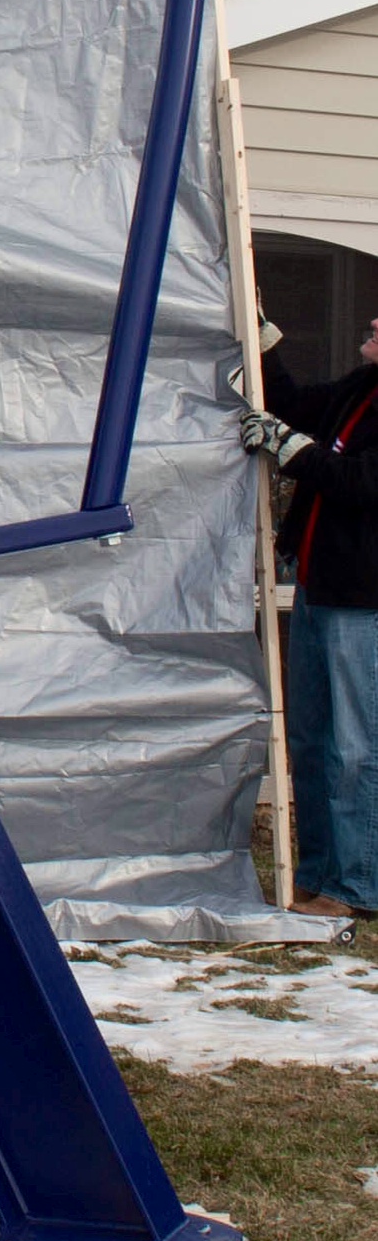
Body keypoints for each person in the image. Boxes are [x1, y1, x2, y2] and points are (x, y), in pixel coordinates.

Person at [253, 312, 378, 918]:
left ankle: (355, 886)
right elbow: (296, 406)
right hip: (319, 587)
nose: (372, 321)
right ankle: (319, 876)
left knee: (355, 748)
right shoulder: (361, 387)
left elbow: (362, 482)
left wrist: (292, 452)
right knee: (309, 740)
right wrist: (262, 336)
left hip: (364, 601)